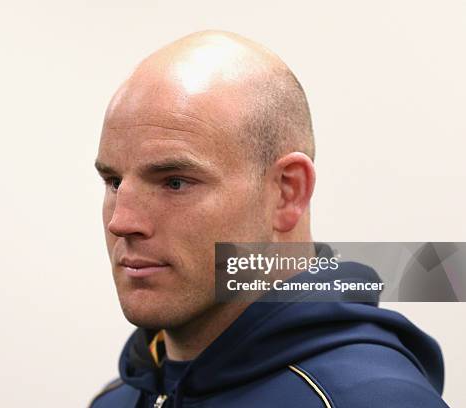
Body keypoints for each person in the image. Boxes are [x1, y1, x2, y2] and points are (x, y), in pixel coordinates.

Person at [90, 30, 449, 407]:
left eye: (175, 182)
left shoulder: (370, 399)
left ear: (287, 192)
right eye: (114, 181)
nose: (121, 221)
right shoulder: (117, 399)